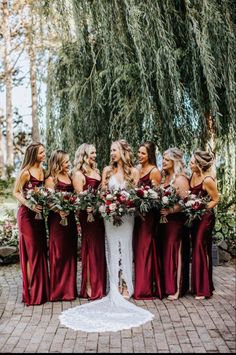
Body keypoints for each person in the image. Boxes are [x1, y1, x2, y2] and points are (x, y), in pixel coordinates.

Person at [59, 140, 154, 332]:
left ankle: (126, 285)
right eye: (110, 150)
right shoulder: (106, 171)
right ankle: (114, 285)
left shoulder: (133, 172)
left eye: (114, 150)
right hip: (109, 216)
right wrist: (109, 203)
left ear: (122, 151)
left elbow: (135, 195)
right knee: (112, 249)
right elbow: (102, 192)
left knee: (125, 247)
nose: (111, 153)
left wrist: (125, 204)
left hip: (127, 216)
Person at [13, 142, 49, 305]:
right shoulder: (25, 173)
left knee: (40, 251)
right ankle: (30, 292)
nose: (44, 154)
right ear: (34, 154)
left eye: (44, 151)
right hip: (27, 216)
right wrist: (29, 204)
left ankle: (41, 290)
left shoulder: (43, 171)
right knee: (31, 252)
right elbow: (15, 192)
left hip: (39, 216)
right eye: (41, 152)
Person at [72, 143, 106, 300]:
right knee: (90, 248)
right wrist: (90, 206)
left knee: (98, 248)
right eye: (92, 153)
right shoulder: (79, 175)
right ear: (84, 155)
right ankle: (88, 286)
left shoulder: (97, 172)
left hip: (98, 216)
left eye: (95, 152)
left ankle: (99, 284)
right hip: (88, 216)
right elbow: (80, 199)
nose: (95, 155)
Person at [45, 149, 78, 301]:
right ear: (58, 163)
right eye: (65, 162)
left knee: (69, 251)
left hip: (69, 218)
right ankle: (58, 291)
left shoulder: (69, 176)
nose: (68, 163)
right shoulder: (51, 179)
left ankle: (69, 290)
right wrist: (58, 210)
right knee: (58, 253)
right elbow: (48, 201)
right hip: (56, 220)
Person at [133, 141, 163, 299]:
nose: (139, 155)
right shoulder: (137, 169)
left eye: (142, 153)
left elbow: (157, 197)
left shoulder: (154, 172)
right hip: (137, 216)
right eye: (138, 152)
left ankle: (145, 288)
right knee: (137, 249)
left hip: (149, 217)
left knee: (145, 248)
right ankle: (140, 284)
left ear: (149, 155)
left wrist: (145, 199)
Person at [159, 147, 190, 300]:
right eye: (163, 159)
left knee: (174, 251)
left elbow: (185, 203)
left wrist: (170, 211)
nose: (163, 162)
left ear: (174, 161)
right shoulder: (164, 178)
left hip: (175, 223)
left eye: (166, 159)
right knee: (165, 252)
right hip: (163, 222)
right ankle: (166, 286)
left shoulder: (181, 179)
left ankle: (177, 288)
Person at [189, 149, 219, 299]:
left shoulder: (208, 180)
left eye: (192, 162)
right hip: (195, 217)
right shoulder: (193, 175)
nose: (190, 164)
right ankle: (199, 285)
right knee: (196, 247)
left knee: (201, 247)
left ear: (200, 165)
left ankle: (203, 289)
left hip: (206, 217)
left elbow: (215, 199)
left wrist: (201, 208)